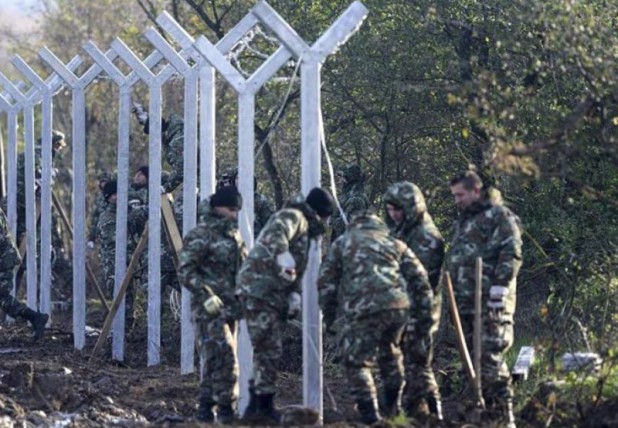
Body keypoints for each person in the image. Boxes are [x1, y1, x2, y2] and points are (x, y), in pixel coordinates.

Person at [318, 209, 434, 424]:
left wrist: (329, 316)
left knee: (357, 362)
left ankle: (370, 416)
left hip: (366, 309)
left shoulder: (343, 243)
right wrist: (424, 313)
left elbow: (326, 283)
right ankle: (393, 406)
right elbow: (420, 278)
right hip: (398, 308)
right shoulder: (394, 243)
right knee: (390, 353)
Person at [236, 187, 335, 423]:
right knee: (268, 349)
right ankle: (261, 408)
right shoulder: (296, 216)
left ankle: (256, 407)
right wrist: (283, 257)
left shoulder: (305, 228)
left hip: (268, 291)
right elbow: (277, 234)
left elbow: (295, 270)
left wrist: (292, 294)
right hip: (260, 289)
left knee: (266, 349)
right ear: (320, 213)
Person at [447, 171, 522, 427]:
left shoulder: (499, 216)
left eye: (460, 194)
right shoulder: (463, 222)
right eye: (454, 195)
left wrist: (499, 291)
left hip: (491, 304)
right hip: (466, 305)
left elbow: (511, 252)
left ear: (475, 190)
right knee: (473, 365)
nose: (456, 200)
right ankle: (485, 418)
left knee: (490, 360)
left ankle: (504, 418)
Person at [178, 186, 247, 424]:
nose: (234, 214)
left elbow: (243, 267)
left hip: (231, 308)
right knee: (226, 358)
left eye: (237, 210)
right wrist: (206, 294)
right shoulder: (200, 235)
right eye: (231, 209)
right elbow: (186, 271)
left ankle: (206, 408)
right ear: (218, 207)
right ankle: (227, 409)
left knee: (214, 359)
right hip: (208, 310)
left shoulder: (234, 236)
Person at [383, 181, 445, 421]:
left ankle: (435, 413)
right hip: (401, 309)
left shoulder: (426, 237)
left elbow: (422, 282)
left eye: (398, 209)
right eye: (390, 209)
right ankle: (410, 412)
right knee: (404, 363)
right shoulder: (402, 231)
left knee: (418, 363)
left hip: (420, 312)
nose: (394, 214)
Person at [0, 207, 48, 340]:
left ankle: (36, 317)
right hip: (5, 257)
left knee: (2, 296)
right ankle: (36, 318)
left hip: (4, 259)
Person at [217, 167, 275, 238]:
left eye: (244, 177)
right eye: (238, 178)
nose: (241, 181)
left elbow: (270, 226)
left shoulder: (260, 201)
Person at [330, 164, 370, 242]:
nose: (340, 181)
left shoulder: (356, 199)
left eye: (343, 178)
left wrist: (330, 219)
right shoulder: (349, 196)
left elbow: (345, 225)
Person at [87, 172, 112, 249]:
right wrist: (91, 238)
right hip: (102, 235)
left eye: (105, 182)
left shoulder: (116, 196)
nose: (104, 184)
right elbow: (95, 219)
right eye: (102, 182)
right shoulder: (99, 199)